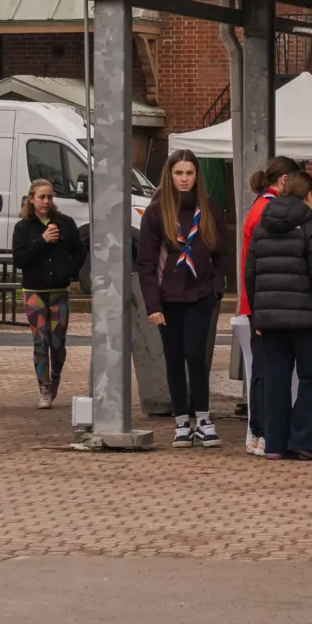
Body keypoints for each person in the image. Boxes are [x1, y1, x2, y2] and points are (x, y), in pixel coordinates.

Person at [137, 150, 228, 449]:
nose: (184, 179)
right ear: (170, 176)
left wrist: (216, 289)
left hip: (201, 295)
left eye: (189, 173)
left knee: (195, 354)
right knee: (174, 357)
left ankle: (203, 418)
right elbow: (146, 263)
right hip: (168, 298)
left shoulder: (209, 208)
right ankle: (181, 422)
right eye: (179, 173)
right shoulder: (156, 212)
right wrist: (153, 305)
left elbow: (221, 254)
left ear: (197, 176)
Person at [245, 171, 312, 460]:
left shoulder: (263, 222)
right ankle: (303, 440)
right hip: (306, 317)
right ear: (309, 196)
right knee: (310, 378)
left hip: (270, 317)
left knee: (275, 379)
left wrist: (257, 313)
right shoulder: (310, 224)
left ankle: (274, 443)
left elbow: (250, 273)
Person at [238, 156, 301, 455]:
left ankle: (257, 432)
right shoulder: (268, 210)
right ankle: (263, 431)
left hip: (257, 298)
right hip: (263, 299)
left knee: (262, 368)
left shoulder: (259, 206)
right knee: (267, 368)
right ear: (285, 180)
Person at [10, 180, 87, 408]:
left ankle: (55, 376)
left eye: (50, 197)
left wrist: (69, 273)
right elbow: (20, 260)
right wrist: (42, 241)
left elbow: (80, 252)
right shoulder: (23, 227)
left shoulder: (66, 223)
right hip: (34, 291)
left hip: (58, 291)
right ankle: (44, 388)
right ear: (31, 199)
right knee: (40, 340)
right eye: (42, 197)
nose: (46, 202)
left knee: (57, 342)